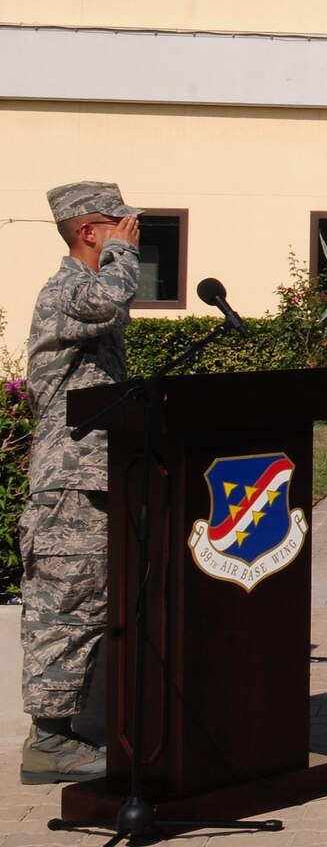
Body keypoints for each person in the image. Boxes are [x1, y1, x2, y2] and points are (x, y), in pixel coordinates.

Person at [20, 182, 144, 783]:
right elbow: (112, 301)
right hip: (68, 486)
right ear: (88, 231)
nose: (131, 228)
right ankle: (49, 743)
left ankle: (71, 733)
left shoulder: (85, 287)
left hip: (91, 480)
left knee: (89, 607)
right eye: (116, 223)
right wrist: (122, 256)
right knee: (64, 611)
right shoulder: (69, 289)